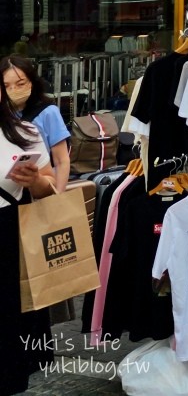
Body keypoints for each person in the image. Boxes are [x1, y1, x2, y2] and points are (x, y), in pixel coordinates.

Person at [0, 95, 58, 396]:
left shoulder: (24, 132)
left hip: (11, 235)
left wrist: (33, 180)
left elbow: (48, 186)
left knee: (9, 331)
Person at [1, 55, 70, 191]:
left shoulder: (48, 112)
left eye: (20, 84)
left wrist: (58, 196)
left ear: (31, 82)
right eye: (6, 86)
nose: (13, 90)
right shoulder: (4, 115)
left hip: (42, 187)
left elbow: (61, 161)